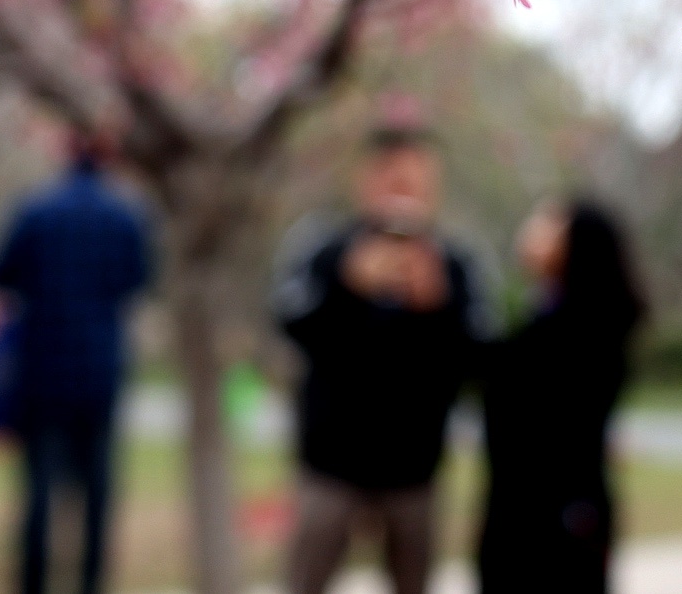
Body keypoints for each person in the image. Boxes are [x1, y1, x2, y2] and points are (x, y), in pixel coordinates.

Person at [274, 129, 480, 594]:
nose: (401, 192)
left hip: (415, 467)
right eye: (390, 178)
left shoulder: (455, 262)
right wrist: (347, 286)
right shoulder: (325, 249)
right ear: (364, 181)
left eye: (414, 180)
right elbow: (291, 324)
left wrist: (437, 306)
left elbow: (474, 355)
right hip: (330, 464)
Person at [0, 133, 151, 594]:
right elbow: (139, 279)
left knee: (39, 492)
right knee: (97, 495)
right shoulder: (125, 216)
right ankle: (90, 583)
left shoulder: (37, 211)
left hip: (41, 371)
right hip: (100, 371)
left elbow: (0, 271)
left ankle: (33, 583)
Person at [478, 201, 644, 594]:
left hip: (550, 521)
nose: (531, 228)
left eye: (547, 221)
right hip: (541, 510)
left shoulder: (581, 334)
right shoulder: (555, 317)